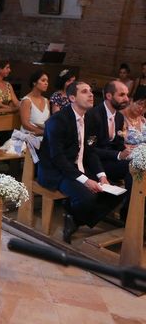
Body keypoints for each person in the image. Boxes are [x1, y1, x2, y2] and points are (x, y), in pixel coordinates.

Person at [37, 81, 124, 243]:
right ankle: (75, 212)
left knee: (117, 194)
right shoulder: (58, 121)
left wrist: (101, 175)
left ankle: (74, 218)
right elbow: (58, 158)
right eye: (84, 92)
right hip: (57, 171)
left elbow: (90, 150)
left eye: (91, 91)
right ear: (72, 98)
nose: (91, 94)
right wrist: (85, 180)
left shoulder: (89, 119)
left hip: (78, 167)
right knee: (87, 197)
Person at [85, 80, 132, 219]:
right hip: (93, 162)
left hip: (110, 160)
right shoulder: (93, 115)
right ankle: (127, 213)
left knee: (137, 167)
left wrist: (128, 152)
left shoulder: (119, 116)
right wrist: (118, 155)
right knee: (132, 168)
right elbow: (90, 149)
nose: (127, 99)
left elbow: (118, 143)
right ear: (109, 96)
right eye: (122, 95)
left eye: (127, 95)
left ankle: (129, 210)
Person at [19, 70, 50, 135]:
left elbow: (48, 122)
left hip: (43, 136)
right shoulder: (26, 101)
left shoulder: (46, 101)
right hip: (29, 135)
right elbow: (25, 124)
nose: (46, 83)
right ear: (34, 83)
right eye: (43, 80)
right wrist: (42, 132)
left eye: (47, 81)